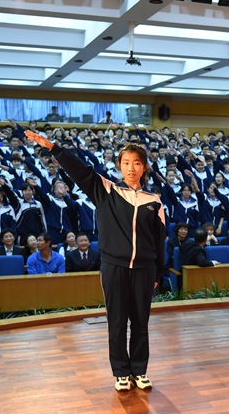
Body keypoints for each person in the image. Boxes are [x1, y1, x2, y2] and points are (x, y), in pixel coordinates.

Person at [25, 131, 165, 393]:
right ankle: (121, 372)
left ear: (145, 167)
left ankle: (139, 370)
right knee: (117, 321)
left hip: (144, 269)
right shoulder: (106, 190)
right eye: (126, 162)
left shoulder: (154, 201)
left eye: (136, 163)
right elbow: (80, 170)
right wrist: (53, 148)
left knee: (140, 322)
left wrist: (158, 273)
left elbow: (159, 241)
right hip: (114, 267)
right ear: (119, 165)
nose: (131, 168)